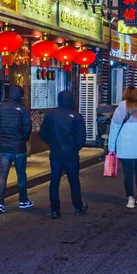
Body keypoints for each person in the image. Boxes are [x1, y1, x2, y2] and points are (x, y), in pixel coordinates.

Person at [40, 90, 88, 219]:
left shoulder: (51, 115)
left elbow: (43, 132)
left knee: (54, 181)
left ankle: (55, 209)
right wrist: (75, 147)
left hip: (55, 153)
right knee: (74, 181)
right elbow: (81, 137)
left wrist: (52, 143)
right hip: (71, 154)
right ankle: (78, 206)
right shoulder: (76, 116)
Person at [0, 85, 33, 213]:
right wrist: (23, 139)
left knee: (3, 175)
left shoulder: (0, 107)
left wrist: (1, 134)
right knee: (21, 175)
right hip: (19, 147)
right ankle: (23, 200)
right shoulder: (23, 109)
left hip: (4, 147)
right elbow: (27, 128)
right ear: (19, 95)